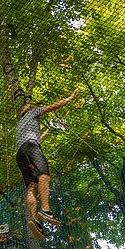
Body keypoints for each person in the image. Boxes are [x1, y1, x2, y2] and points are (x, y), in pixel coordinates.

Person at [16, 89, 80, 239]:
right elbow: (52, 106)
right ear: (30, 110)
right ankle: (45, 210)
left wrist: (43, 133)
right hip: (31, 147)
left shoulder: (20, 125)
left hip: (20, 153)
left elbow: (33, 138)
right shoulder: (32, 113)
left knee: (32, 187)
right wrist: (70, 98)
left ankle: (35, 220)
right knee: (44, 175)